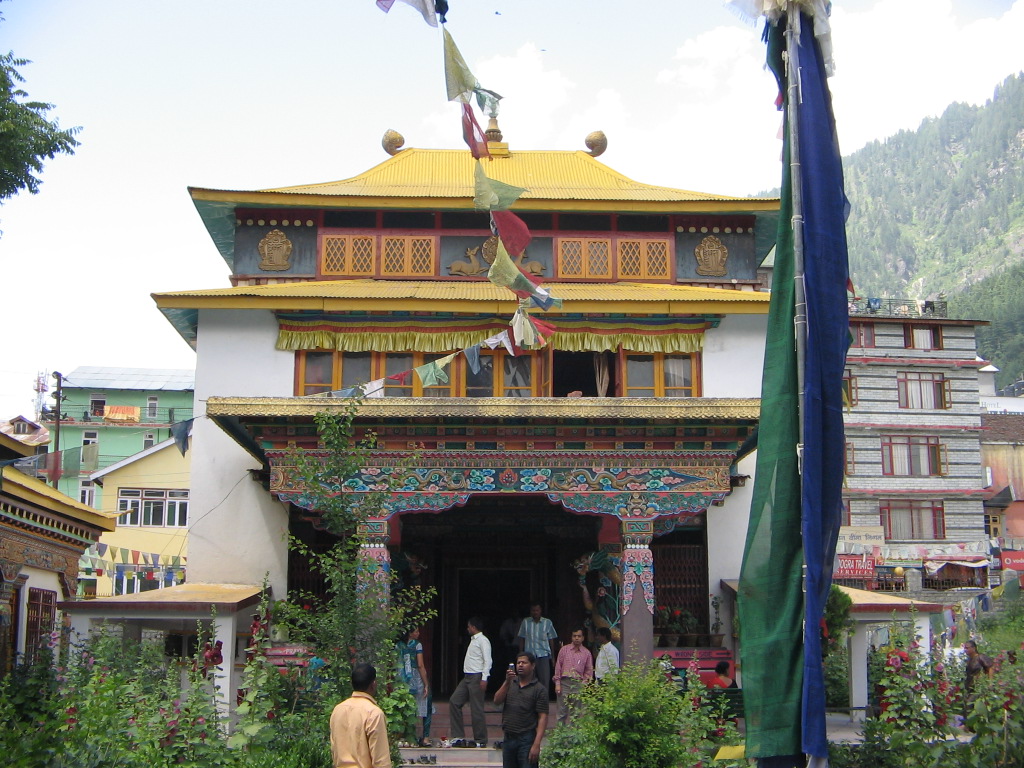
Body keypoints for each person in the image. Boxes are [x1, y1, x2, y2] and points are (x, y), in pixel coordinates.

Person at [329, 663, 390, 768]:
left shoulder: (338, 710)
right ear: (373, 684)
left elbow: (334, 750)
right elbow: (381, 761)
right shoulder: (374, 713)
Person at [494, 652, 548, 768]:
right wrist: (507, 681)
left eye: (524, 662)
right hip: (509, 738)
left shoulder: (539, 689)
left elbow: (542, 717)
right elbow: (497, 700)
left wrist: (537, 744)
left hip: (526, 739)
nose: (520, 665)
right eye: (518, 663)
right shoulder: (510, 684)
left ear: (533, 666)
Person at [449, 616, 492, 747]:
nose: (467, 629)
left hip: (477, 676)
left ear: (473, 627)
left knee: (476, 708)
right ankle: (458, 736)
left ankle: (481, 740)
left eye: (469, 626)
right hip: (467, 677)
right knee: (454, 701)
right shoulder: (473, 640)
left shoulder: (483, 640)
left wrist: (485, 678)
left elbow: (488, 660)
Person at [397, 627, 431, 746]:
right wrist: (426, 683)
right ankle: (425, 737)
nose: (418, 633)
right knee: (426, 704)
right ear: (410, 634)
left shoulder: (399, 645)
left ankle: (406, 737)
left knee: (406, 706)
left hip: (402, 677)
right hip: (415, 677)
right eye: (416, 631)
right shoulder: (417, 645)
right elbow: (420, 665)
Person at [552, 627, 593, 724]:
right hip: (564, 683)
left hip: (578, 684)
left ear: (583, 638)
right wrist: (557, 683)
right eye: (574, 636)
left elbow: (589, 671)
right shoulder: (564, 650)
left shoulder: (586, 653)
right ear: (571, 637)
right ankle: (561, 737)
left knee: (576, 714)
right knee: (561, 713)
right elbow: (558, 667)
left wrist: (584, 684)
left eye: (579, 636)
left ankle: (574, 738)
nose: (577, 638)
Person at [517, 603, 558, 696]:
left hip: (543, 655)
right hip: (529, 657)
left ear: (540, 611)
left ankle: (543, 703)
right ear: (531, 611)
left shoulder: (547, 622)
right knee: (529, 680)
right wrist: (521, 655)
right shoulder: (525, 622)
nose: (535, 612)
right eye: (533, 610)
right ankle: (529, 702)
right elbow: (521, 638)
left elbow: (551, 640)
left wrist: (553, 657)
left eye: (537, 610)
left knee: (544, 681)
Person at [963, 639, 994, 712]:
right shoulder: (969, 660)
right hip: (970, 688)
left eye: (967, 648)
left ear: (973, 648)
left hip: (979, 688)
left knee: (969, 705)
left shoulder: (980, 657)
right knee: (967, 706)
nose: (965, 650)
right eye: (964, 648)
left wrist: (990, 682)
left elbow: (990, 668)